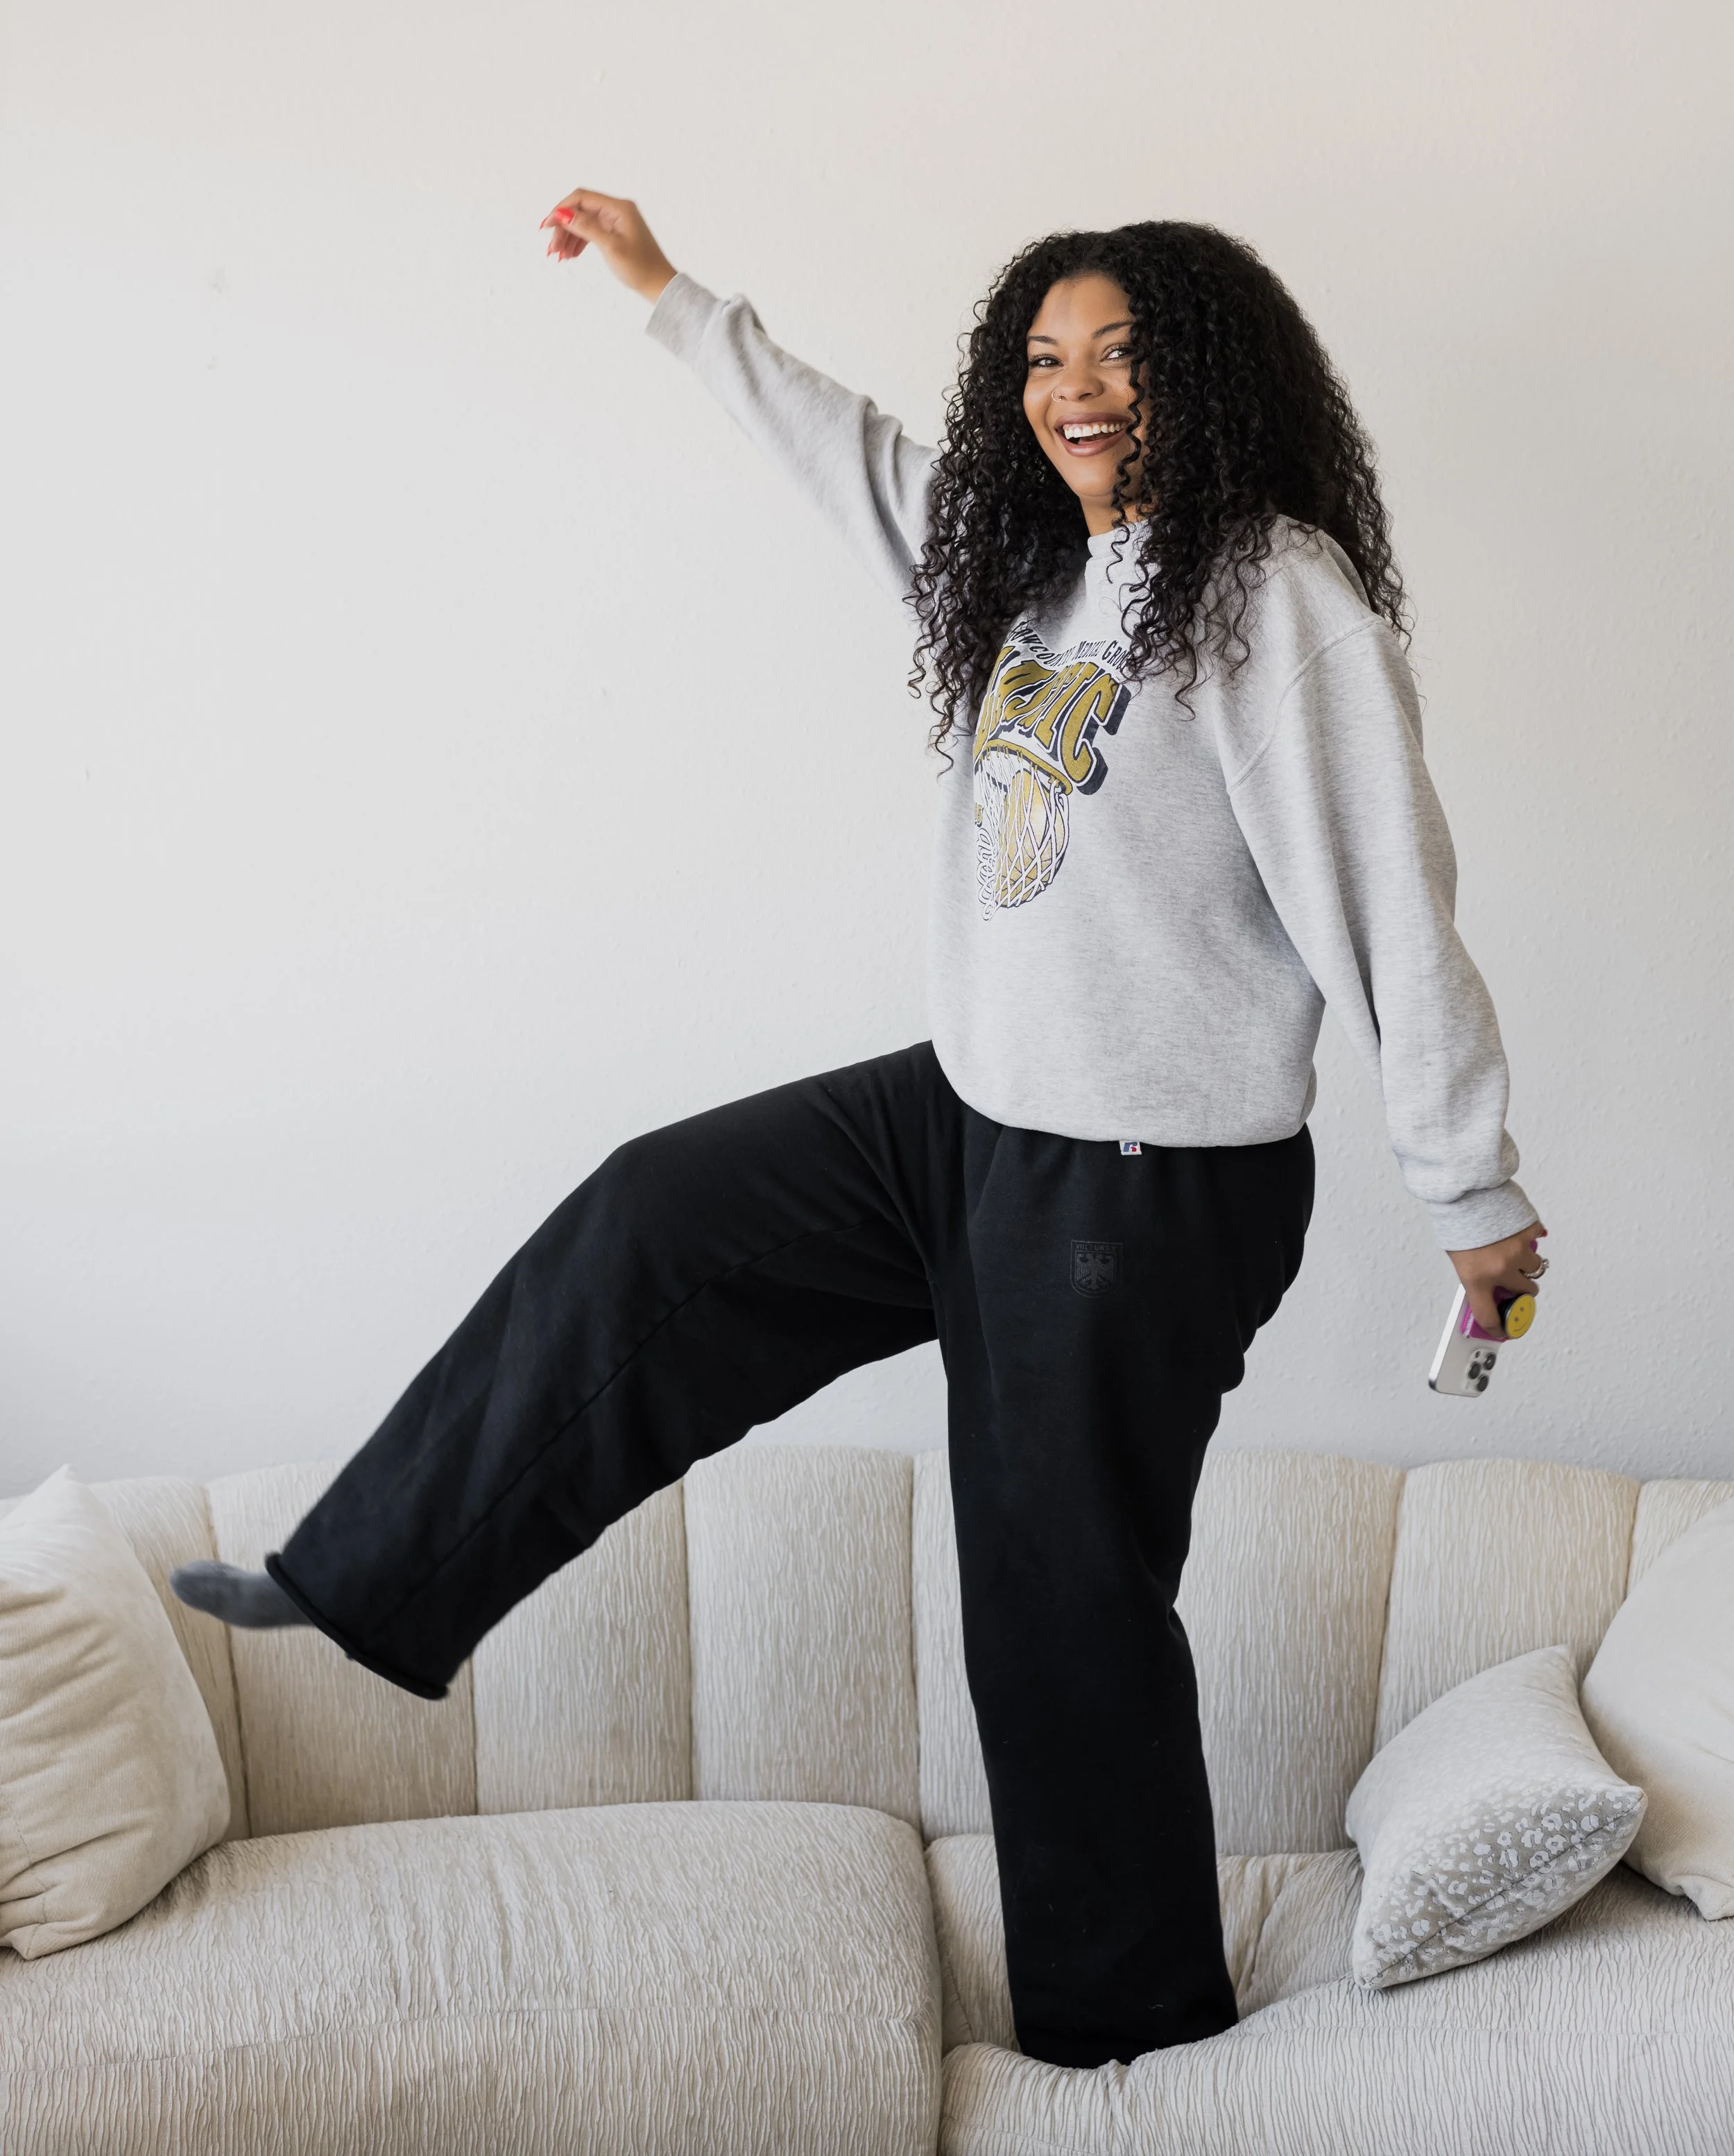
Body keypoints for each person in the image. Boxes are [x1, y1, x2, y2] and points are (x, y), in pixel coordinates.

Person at [174, 189, 1549, 2070]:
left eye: (1120, 356)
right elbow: (843, 449)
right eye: (1043, 359)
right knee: (658, 1216)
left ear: (1208, 382)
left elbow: (1390, 897)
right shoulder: (1017, 561)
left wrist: (1465, 1188)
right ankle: (364, 1579)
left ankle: (1124, 2048)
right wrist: (669, 296)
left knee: (1055, 1607)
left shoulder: (1267, 600)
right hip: (969, 1116)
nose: (1074, 391)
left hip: (1142, 1185)